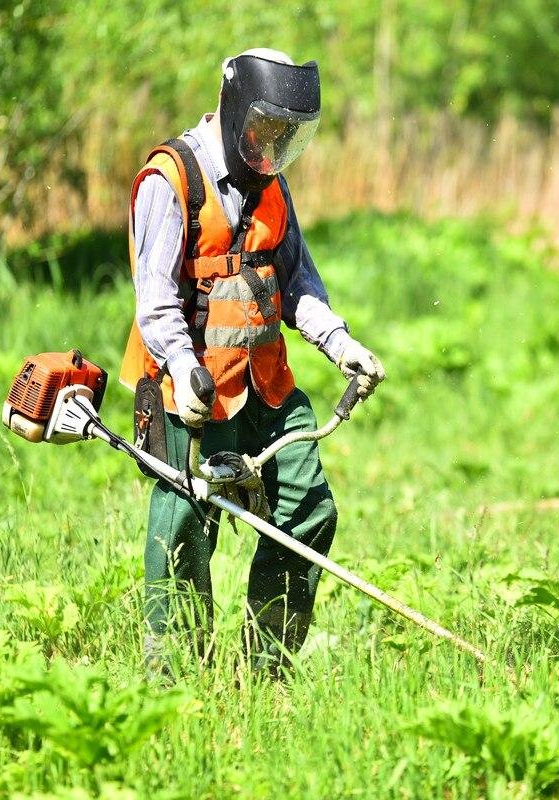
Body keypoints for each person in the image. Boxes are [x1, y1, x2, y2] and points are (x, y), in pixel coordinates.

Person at [119, 48, 385, 677]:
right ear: (237, 111)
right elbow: (154, 303)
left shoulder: (271, 183)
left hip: (265, 384)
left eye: (288, 136)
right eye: (268, 130)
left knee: (309, 509)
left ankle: (265, 665)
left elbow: (298, 282)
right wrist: (185, 371)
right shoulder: (172, 179)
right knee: (185, 524)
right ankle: (175, 679)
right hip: (193, 387)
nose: (275, 147)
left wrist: (340, 343)